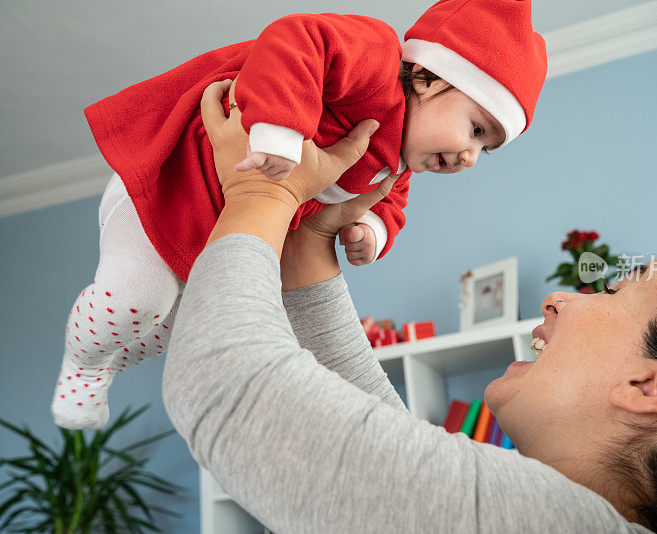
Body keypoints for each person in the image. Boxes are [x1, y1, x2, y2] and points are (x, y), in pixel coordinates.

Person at [161, 81, 657, 533]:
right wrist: (310, 235)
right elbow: (374, 435)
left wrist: (257, 194)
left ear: (652, 386)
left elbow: (224, 381)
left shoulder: (549, 524)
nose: (554, 302)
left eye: (610, 293)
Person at [52, 0, 548, 429]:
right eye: (477, 129)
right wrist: (279, 130)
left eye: (487, 149)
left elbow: (391, 206)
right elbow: (297, 39)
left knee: (166, 325)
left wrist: (370, 230)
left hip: (205, 239)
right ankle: (82, 366)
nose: (470, 157)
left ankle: (105, 360)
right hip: (164, 191)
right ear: (431, 75)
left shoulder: (393, 169)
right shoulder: (375, 59)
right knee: (136, 301)